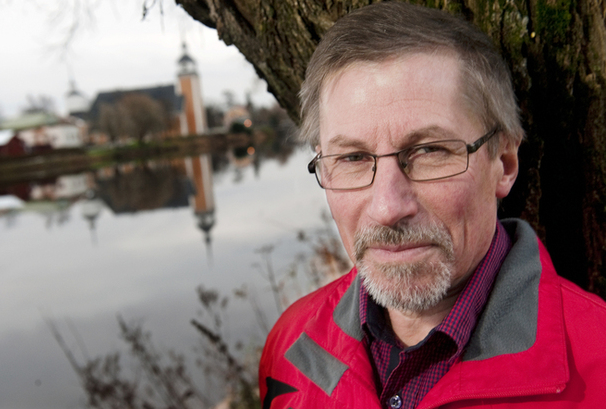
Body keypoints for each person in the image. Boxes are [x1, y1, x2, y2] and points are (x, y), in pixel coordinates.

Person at [258, 2, 606, 408]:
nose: (388, 208)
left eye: (429, 151)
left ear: (504, 163)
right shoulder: (290, 346)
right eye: (352, 158)